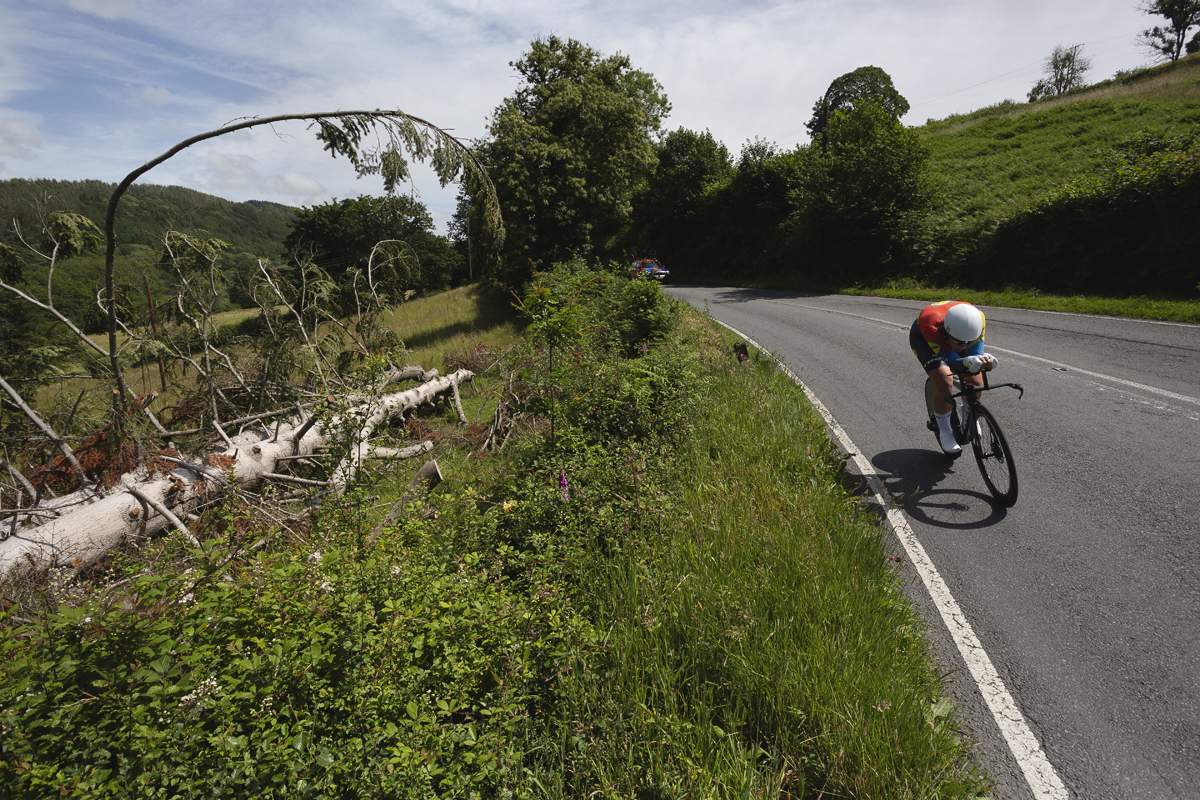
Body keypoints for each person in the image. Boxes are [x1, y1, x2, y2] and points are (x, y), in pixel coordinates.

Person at [910, 301, 999, 455]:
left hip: (956, 331)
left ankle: (968, 411)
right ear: (948, 332)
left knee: (976, 381)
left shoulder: (979, 318)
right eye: (959, 342)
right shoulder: (931, 324)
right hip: (925, 338)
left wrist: (983, 361)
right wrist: (966, 361)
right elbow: (952, 363)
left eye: (968, 342)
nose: (963, 346)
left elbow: (973, 357)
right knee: (944, 381)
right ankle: (945, 431)